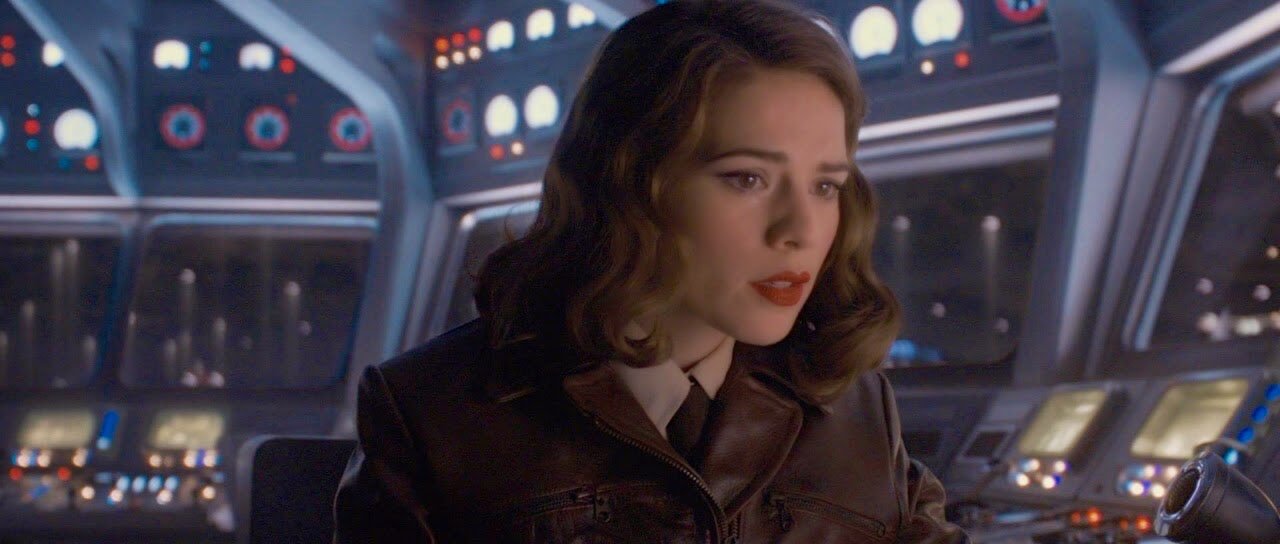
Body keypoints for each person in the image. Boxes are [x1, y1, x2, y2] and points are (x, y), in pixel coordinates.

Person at [333, 0, 968, 541]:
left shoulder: (859, 410)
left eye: (825, 186)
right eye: (747, 179)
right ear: (629, 182)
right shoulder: (430, 414)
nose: (799, 230)